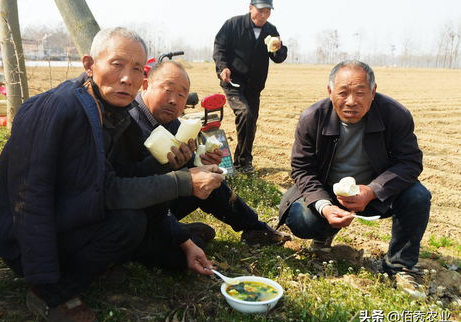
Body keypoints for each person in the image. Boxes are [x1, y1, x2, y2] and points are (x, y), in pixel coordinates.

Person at [0, 28, 224, 322]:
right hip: (23, 237)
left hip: (69, 212)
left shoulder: (111, 113)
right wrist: (42, 277)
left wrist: (168, 166)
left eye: (136, 69)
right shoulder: (57, 108)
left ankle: (124, 252)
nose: (127, 78)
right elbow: (31, 201)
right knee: (128, 224)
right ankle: (50, 294)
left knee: (140, 226)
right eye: (117, 64)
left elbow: (113, 180)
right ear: (90, 64)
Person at [279, 60, 431, 296]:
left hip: (375, 193)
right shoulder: (312, 118)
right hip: (328, 192)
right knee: (301, 219)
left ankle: (400, 266)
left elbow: (409, 162)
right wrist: (324, 206)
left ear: (373, 92)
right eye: (343, 93)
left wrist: (372, 190)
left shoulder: (395, 115)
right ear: (330, 92)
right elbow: (302, 168)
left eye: (360, 93)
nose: (351, 101)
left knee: (418, 196)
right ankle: (323, 234)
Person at [127, 61, 291, 246]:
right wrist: (171, 168)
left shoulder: (174, 124)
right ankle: (178, 232)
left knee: (208, 175)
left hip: (165, 200)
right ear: (146, 85)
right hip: (134, 210)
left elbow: (187, 167)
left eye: (182, 94)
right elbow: (126, 183)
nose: (174, 100)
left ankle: (254, 228)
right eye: (167, 90)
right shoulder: (127, 122)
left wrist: (200, 160)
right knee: (191, 247)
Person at [213, 0, 287, 173]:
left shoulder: (271, 30)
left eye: (268, 11)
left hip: (254, 85)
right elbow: (219, 48)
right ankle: (244, 161)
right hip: (233, 81)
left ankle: (242, 162)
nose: (264, 15)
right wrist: (223, 67)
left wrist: (279, 48)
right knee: (245, 113)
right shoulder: (233, 24)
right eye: (261, 11)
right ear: (250, 8)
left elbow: (278, 58)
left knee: (250, 121)